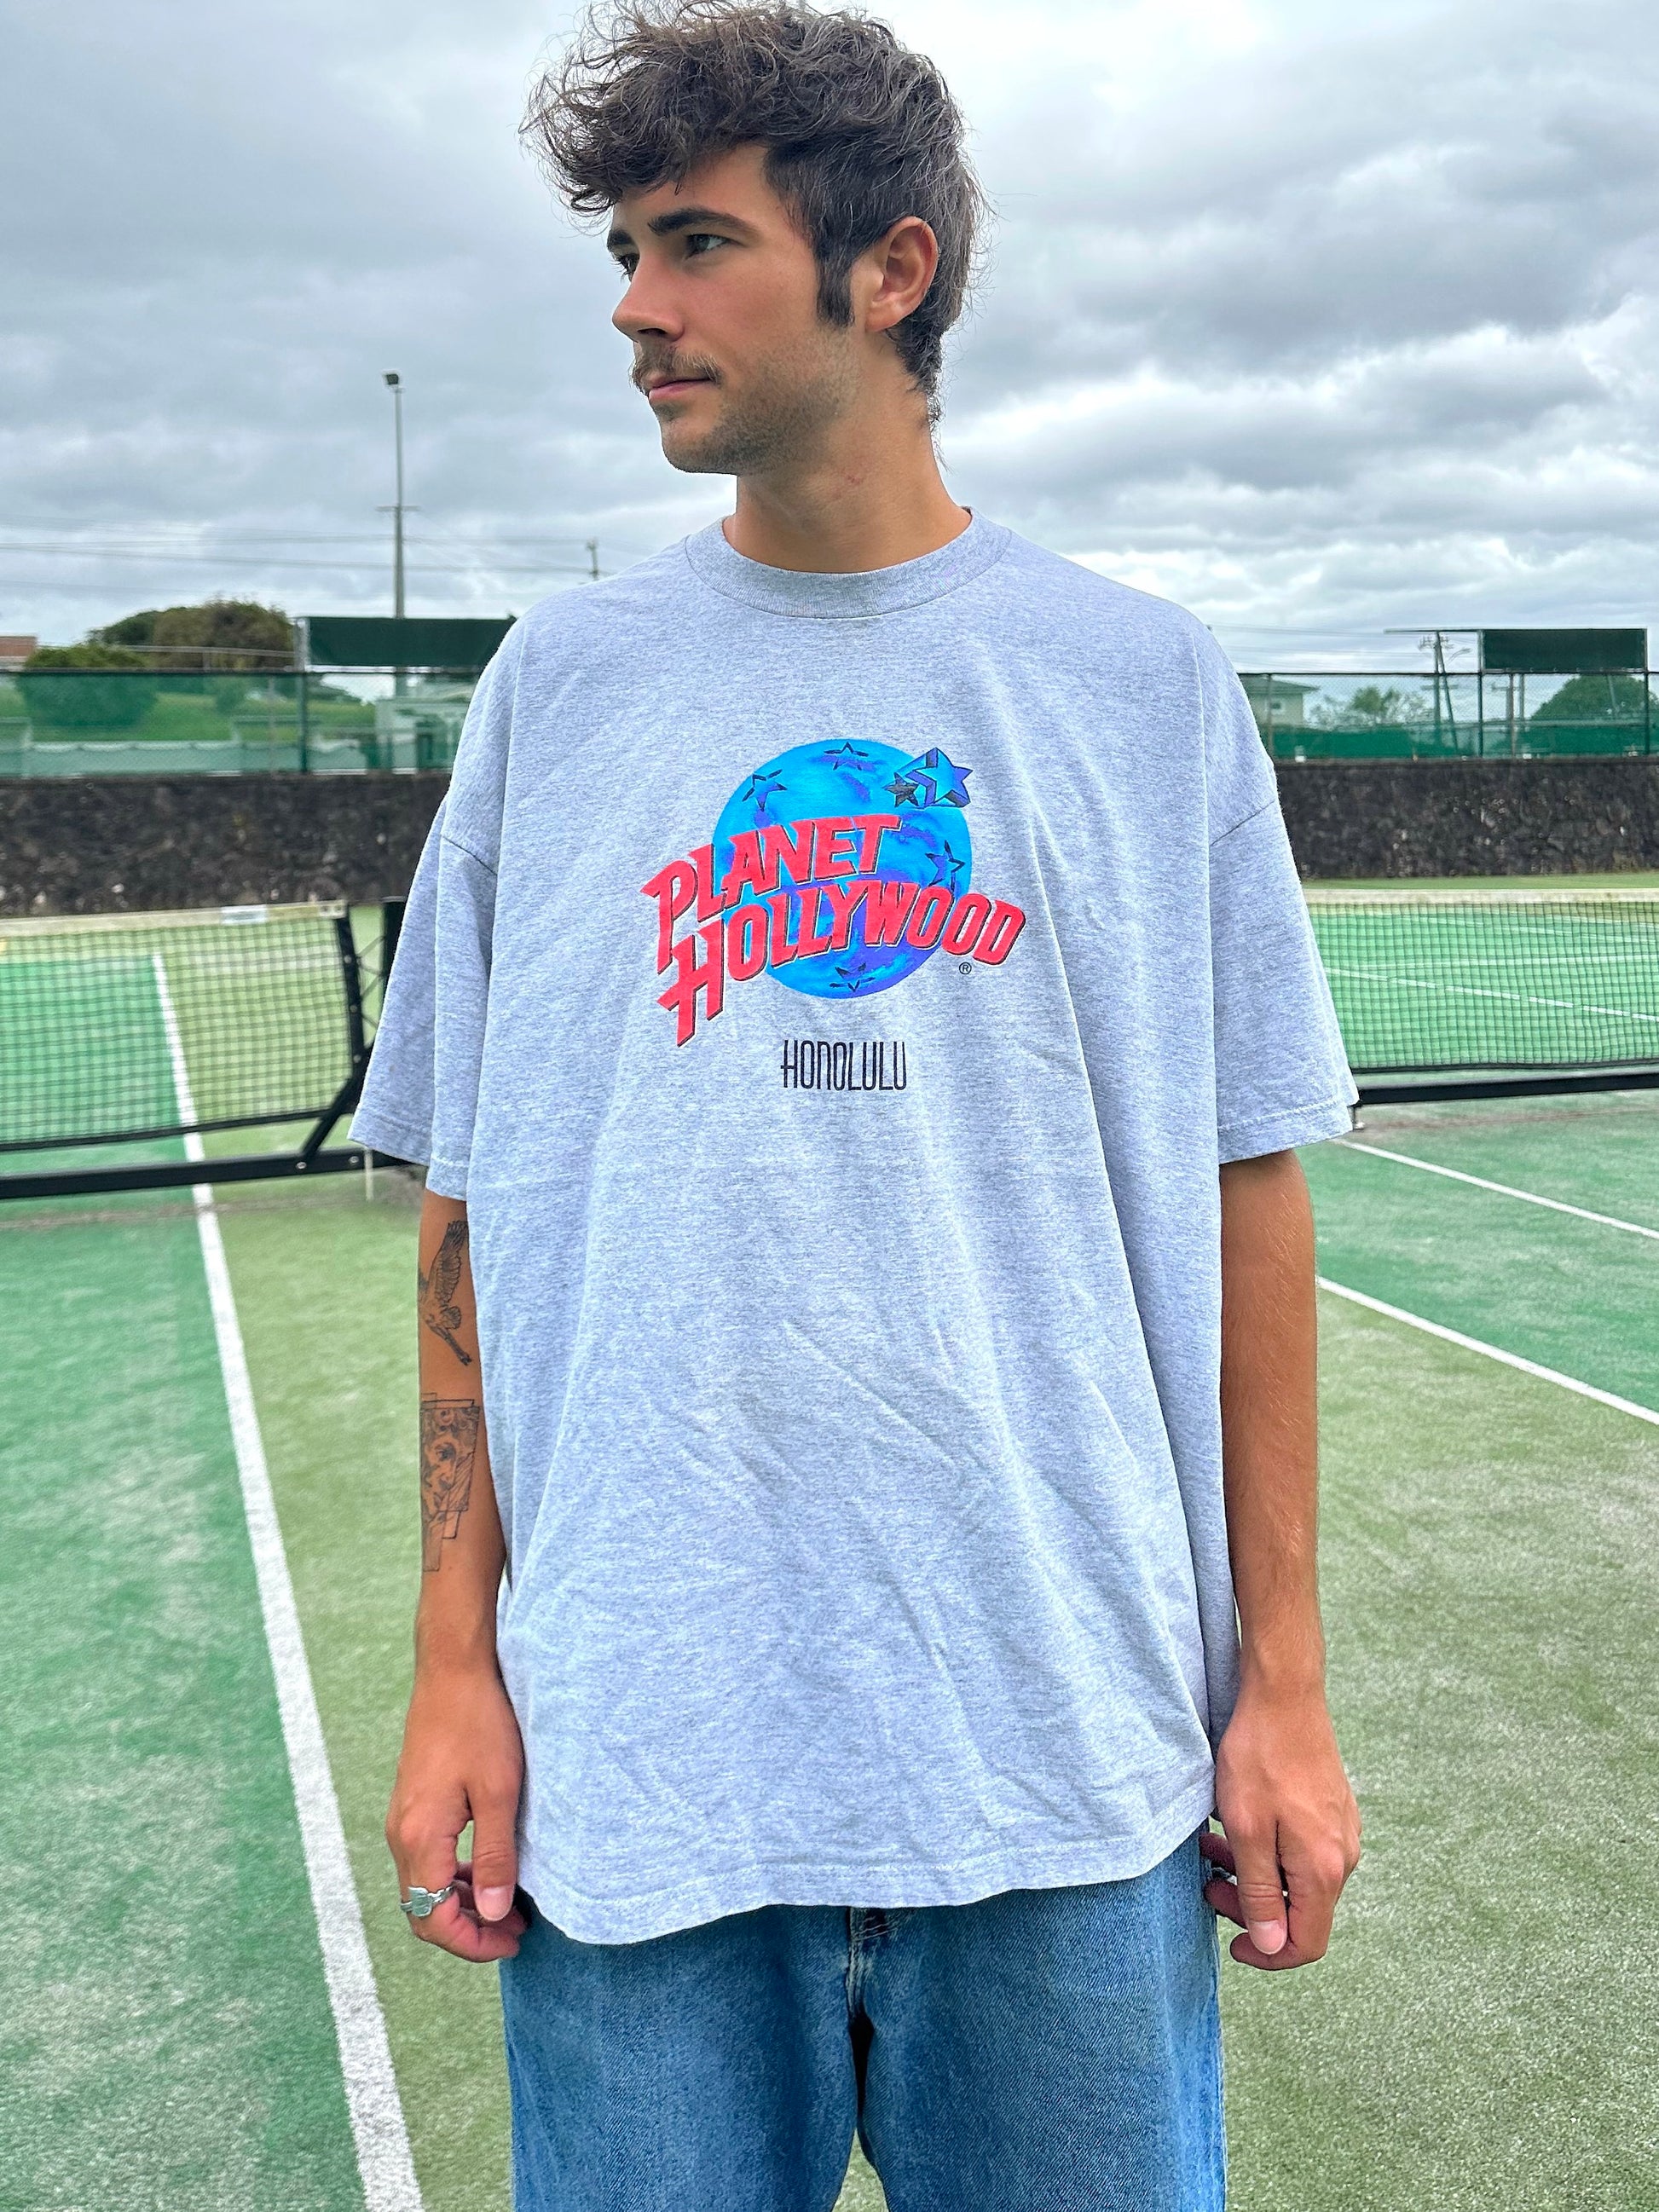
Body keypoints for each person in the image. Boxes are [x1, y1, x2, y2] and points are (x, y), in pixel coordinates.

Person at [351, 3, 1363, 2204]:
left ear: (889, 269)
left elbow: (1247, 1196)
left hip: (1067, 1754)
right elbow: (466, 1213)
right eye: (623, 249)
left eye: (696, 243)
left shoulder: (1141, 683)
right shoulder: (558, 689)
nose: (635, 306)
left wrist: (1278, 1685)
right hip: (641, 1764)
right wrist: (454, 1661)